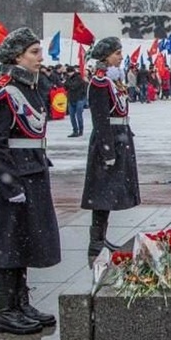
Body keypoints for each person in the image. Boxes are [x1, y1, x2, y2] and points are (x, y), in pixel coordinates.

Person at [0, 27, 60, 334]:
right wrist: (10, 184)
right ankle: (5, 310)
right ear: (17, 56)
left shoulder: (29, 86)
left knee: (26, 239)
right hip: (14, 176)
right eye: (34, 52)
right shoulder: (2, 91)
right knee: (8, 242)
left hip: (33, 172)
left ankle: (21, 302)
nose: (41, 58)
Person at [81, 37, 141, 265]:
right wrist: (108, 151)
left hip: (120, 139)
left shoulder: (113, 81)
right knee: (101, 193)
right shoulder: (99, 83)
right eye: (117, 53)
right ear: (106, 56)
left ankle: (101, 238)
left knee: (109, 193)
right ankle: (96, 242)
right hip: (108, 142)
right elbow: (100, 119)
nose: (120, 56)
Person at [64, 65, 87, 137]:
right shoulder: (68, 78)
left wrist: (68, 84)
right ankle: (75, 130)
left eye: (70, 72)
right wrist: (68, 84)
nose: (69, 74)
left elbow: (74, 86)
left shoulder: (78, 78)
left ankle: (81, 130)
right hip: (71, 99)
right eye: (68, 72)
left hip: (79, 98)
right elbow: (65, 86)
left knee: (79, 115)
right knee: (72, 116)